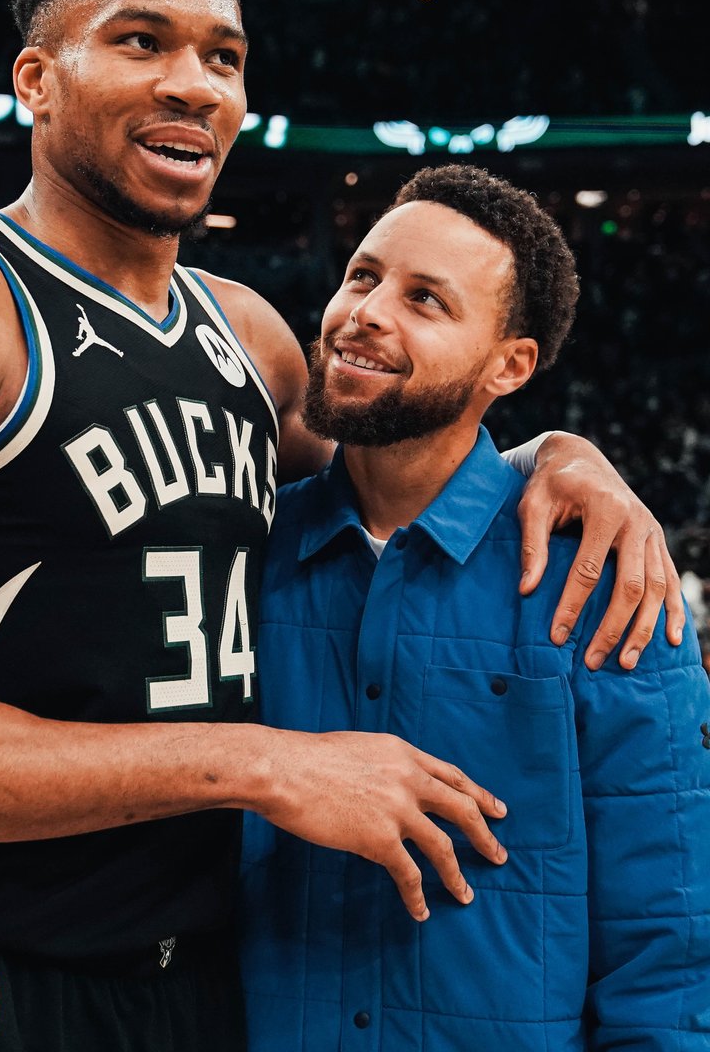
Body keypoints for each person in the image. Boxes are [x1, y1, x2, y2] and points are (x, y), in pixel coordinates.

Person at [0, 0, 682, 1052]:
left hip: (211, 982)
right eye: (140, 40)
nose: (194, 82)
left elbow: (413, 476)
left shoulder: (252, 340)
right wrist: (259, 766)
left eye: (224, 57)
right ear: (35, 79)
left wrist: (561, 448)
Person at [239, 164, 710, 1049]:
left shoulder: (606, 586)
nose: (368, 311)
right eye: (363, 276)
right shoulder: (241, 552)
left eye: (426, 300)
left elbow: (670, 951)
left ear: (511, 364)